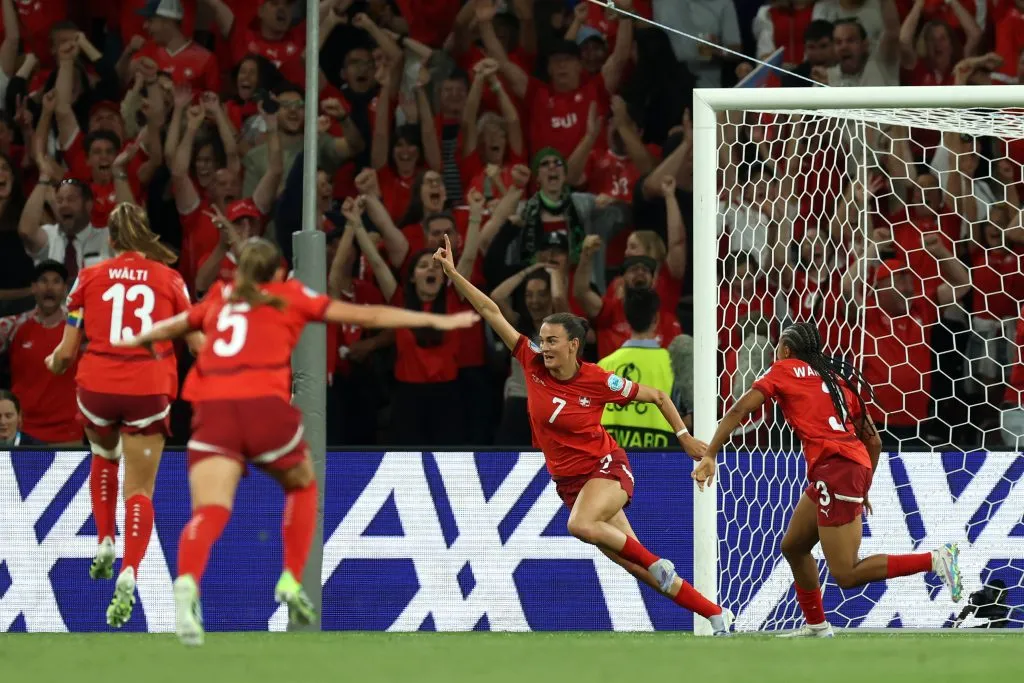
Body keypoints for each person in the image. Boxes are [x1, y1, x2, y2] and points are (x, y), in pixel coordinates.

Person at [113, 238, 478, 646]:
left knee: (209, 511)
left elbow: (173, 327)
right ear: (278, 273)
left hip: (213, 412)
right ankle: (289, 577)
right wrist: (436, 321)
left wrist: (131, 343)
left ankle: (186, 582)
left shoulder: (220, 296)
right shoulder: (288, 295)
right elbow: (368, 314)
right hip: (264, 408)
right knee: (302, 485)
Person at [433, 234, 733, 636]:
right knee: (636, 566)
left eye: (552, 341)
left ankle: (659, 563)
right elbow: (490, 310)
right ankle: (715, 614)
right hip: (569, 484)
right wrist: (454, 274)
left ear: (574, 345)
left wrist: (683, 437)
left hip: (605, 469)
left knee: (583, 527)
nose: (544, 347)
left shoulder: (598, 379)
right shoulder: (531, 362)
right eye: (542, 340)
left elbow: (659, 396)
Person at [693, 322, 963, 638]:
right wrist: (862, 485)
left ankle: (935, 559)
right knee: (794, 546)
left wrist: (710, 453)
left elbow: (740, 409)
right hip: (843, 470)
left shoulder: (782, 370)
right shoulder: (836, 379)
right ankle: (817, 625)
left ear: (786, 350)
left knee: (846, 573)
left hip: (836, 470)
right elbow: (874, 441)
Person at [44, 202, 197, 628]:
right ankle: (129, 570)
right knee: (140, 489)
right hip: (149, 389)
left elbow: (65, 354)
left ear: (110, 240)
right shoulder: (170, 279)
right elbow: (198, 344)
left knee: (104, 453)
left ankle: (105, 539)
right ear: (144, 235)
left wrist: (52, 363)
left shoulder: (88, 277)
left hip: (98, 388)